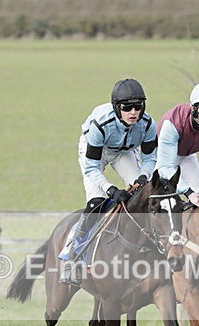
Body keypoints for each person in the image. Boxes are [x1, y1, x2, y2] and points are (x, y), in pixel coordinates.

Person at [60, 78, 158, 286]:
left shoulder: (148, 124)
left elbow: (150, 159)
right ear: (116, 108)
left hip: (123, 152)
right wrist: (111, 190)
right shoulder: (101, 124)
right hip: (94, 152)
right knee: (96, 202)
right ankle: (72, 258)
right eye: (127, 107)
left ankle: (148, 248)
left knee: (143, 195)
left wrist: (142, 177)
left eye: (138, 107)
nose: (133, 112)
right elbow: (91, 168)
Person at [156, 82, 199, 207]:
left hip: (187, 156)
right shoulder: (172, 123)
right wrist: (188, 192)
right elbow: (165, 167)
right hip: (161, 159)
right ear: (193, 108)